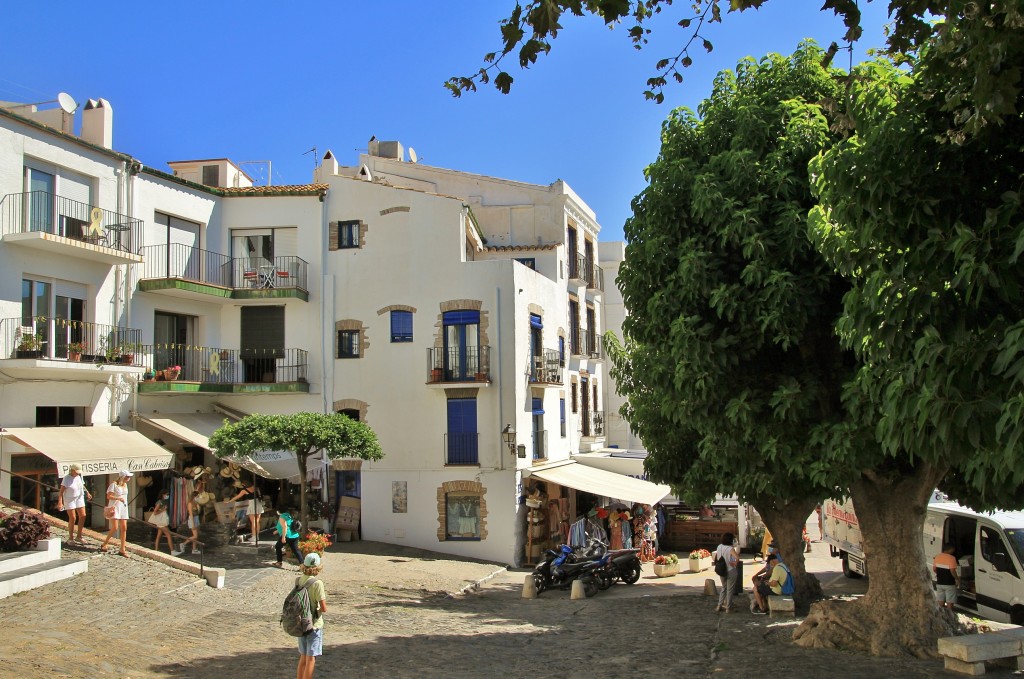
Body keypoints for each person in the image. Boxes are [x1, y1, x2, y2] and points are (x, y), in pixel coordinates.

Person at [296, 552, 327, 679]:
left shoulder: (299, 580)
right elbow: (323, 608)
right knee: (311, 658)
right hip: (314, 624)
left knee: (303, 657)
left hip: (301, 623)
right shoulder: (317, 583)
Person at [56, 464, 92, 545]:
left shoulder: (79, 477)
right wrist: (60, 502)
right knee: (73, 518)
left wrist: (87, 492)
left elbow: (82, 485)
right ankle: (71, 538)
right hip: (69, 498)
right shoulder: (67, 478)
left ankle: (79, 536)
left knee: (83, 515)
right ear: (72, 470)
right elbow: (61, 491)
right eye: (76, 471)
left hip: (79, 497)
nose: (78, 473)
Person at [100, 470, 132, 557]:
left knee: (124, 527)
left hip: (123, 507)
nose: (129, 478)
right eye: (127, 476)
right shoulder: (114, 484)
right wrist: (118, 498)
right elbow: (109, 496)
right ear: (122, 477)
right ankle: (105, 543)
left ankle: (122, 549)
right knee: (115, 527)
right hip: (115, 507)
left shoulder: (125, 485)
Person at [714, 531, 740, 613]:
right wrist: (735, 563)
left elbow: (716, 557)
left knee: (724, 588)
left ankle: (719, 605)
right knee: (730, 589)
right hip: (730, 569)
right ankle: (728, 607)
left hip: (721, 570)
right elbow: (737, 557)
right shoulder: (730, 549)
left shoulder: (719, 546)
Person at [173, 491, 202, 556]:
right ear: (194, 496)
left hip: (197, 518)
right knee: (195, 536)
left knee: (196, 536)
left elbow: (198, 512)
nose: (198, 497)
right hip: (192, 519)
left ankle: (194, 549)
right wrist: (193, 523)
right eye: (197, 496)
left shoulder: (196, 503)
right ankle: (184, 544)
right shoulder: (190, 504)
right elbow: (191, 514)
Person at [933, 544, 960, 610]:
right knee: (949, 602)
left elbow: (934, 569)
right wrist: (957, 579)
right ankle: (949, 616)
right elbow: (952, 570)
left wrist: (940, 574)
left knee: (940, 601)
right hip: (949, 583)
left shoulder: (937, 557)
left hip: (939, 582)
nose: (953, 551)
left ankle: (940, 615)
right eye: (953, 550)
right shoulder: (951, 558)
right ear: (950, 549)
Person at [150, 489, 176, 553]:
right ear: (163, 495)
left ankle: (156, 549)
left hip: (160, 521)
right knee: (169, 535)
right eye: (167, 494)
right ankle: (172, 550)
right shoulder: (160, 502)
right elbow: (155, 512)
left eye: (168, 494)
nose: (168, 496)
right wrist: (163, 510)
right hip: (161, 522)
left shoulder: (163, 501)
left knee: (159, 536)